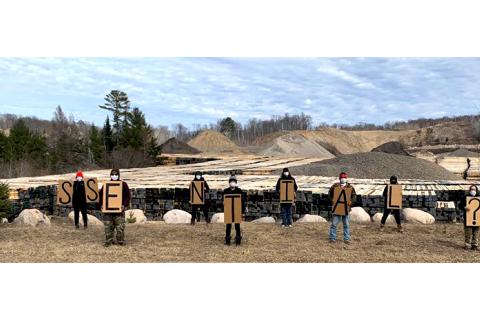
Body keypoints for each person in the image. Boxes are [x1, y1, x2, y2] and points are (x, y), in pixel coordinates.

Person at [99, 169, 131, 247]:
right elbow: (100, 196)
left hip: (119, 211)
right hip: (108, 211)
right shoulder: (106, 185)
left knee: (120, 228)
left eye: (116, 174)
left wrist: (124, 204)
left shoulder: (123, 184)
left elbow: (128, 196)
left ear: (118, 175)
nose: (114, 176)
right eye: (112, 175)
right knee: (108, 228)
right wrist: (101, 205)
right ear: (110, 175)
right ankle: (109, 241)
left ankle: (120, 241)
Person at [328, 172, 357, 244]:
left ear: (346, 178)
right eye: (342, 178)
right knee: (334, 224)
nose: (343, 179)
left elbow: (354, 196)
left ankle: (346, 239)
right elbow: (329, 194)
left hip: (346, 208)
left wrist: (351, 202)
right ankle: (332, 238)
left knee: (346, 224)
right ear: (339, 178)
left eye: (344, 178)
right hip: (337, 208)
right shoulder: (334, 186)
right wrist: (332, 200)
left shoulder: (350, 187)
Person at [223, 176, 246, 246]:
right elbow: (224, 201)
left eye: (234, 181)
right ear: (229, 183)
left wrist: (242, 211)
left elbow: (242, 201)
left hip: (237, 210)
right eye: (231, 181)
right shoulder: (226, 191)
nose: (232, 183)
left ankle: (238, 240)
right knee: (228, 225)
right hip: (229, 210)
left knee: (237, 225)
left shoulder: (239, 190)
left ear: (236, 183)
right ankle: (227, 240)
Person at [458, 185, 480, 250]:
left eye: (474, 189)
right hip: (468, 217)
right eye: (472, 189)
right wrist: (464, 207)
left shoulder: (479, 197)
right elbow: (460, 205)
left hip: (477, 217)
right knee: (468, 231)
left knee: (476, 232)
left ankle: (475, 245)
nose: (473, 191)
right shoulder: (465, 197)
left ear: (476, 190)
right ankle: (467, 245)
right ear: (469, 190)